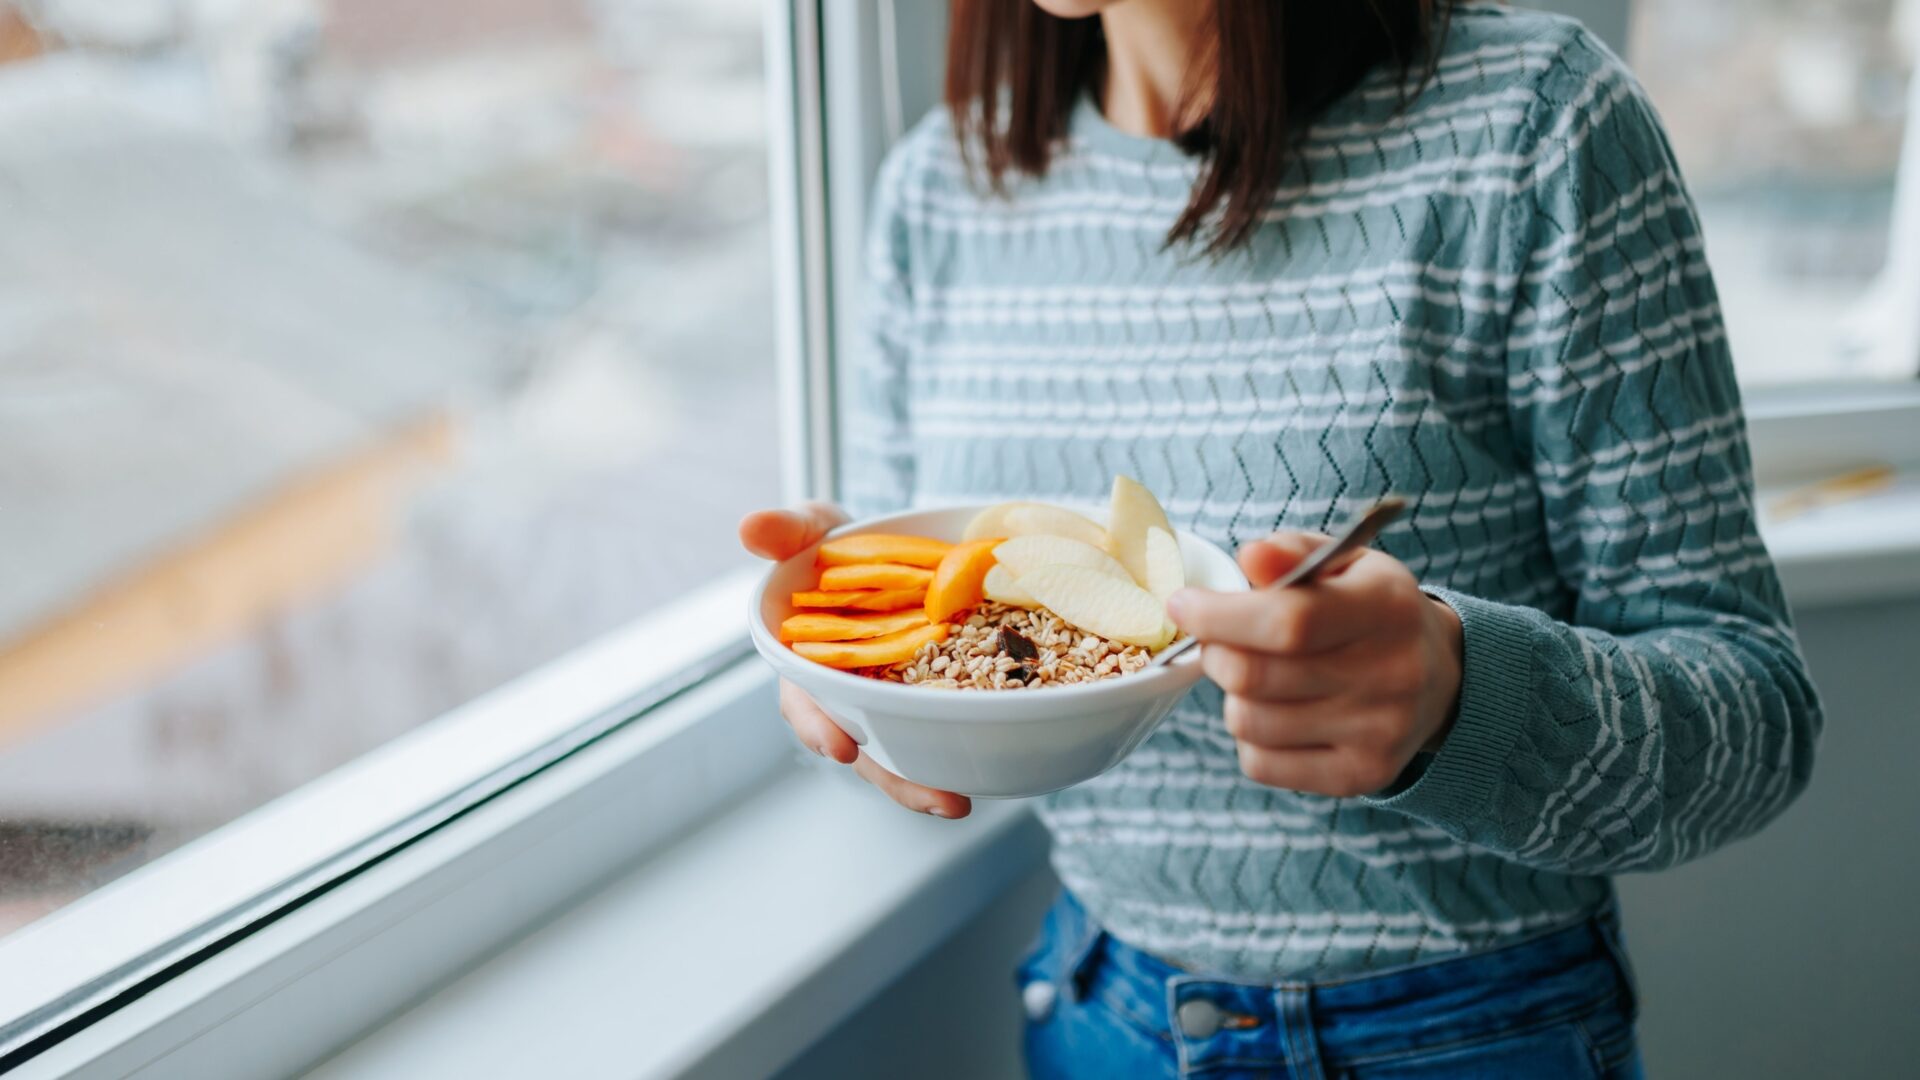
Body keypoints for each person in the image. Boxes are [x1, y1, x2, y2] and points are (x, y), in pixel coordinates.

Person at [739, 1, 1824, 1075]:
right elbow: (901, 661)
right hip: (1097, 1019)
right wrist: (847, 665)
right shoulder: (943, 186)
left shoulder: (1537, 124)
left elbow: (1755, 717)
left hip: (1465, 1037)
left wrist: (1458, 698)